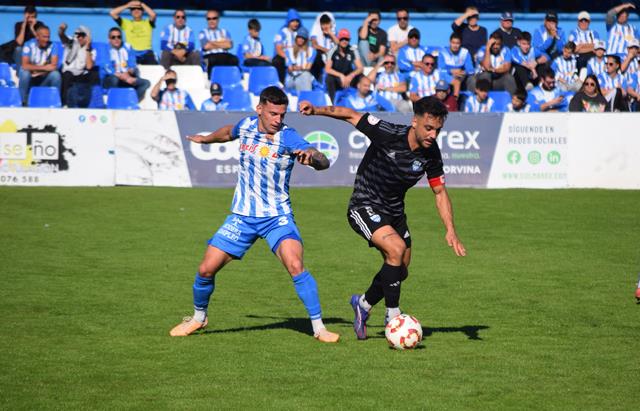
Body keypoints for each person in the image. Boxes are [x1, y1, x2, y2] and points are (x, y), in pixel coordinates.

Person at [171, 86, 339, 344]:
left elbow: (322, 159)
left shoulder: (288, 137)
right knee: (205, 270)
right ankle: (198, 318)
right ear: (259, 109)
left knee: (295, 265)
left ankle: (319, 328)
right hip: (242, 216)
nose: (278, 120)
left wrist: (314, 158)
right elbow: (228, 132)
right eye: (273, 114)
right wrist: (206, 139)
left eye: (282, 115)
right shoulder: (247, 125)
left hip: (277, 217)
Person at [298, 96, 466, 340]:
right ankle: (394, 317)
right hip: (363, 204)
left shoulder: (432, 153)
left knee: (401, 269)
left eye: (437, 130)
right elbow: (350, 114)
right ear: (414, 122)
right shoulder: (388, 133)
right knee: (396, 249)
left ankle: (363, 305)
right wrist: (315, 109)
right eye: (428, 128)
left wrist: (450, 230)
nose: (433, 135)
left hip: (394, 212)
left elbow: (439, 192)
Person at [102, 27, 150, 102]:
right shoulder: (105, 49)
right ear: (109, 39)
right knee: (114, 79)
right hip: (111, 78)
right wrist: (122, 76)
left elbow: (132, 64)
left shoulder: (128, 47)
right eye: (113, 37)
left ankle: (131, 101)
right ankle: (116, 101)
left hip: (126, 76)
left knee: (145, 83)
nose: (116, 39)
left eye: (119, 37)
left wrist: (128, 73)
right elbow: (107, 67)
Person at [18, 25, 60, 106]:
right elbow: (24, 65)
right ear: (37, 37)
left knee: (56, 75)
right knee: (24, 73)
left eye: (48, 37)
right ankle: (22, 102)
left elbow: (53, 66)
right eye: (44, 37)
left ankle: (54, 102)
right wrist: (45, 68)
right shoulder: (28, 45)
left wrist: (36, 70)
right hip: (30, 78)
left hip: (43, 77)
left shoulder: (53, 46)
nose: (47, 39)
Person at [58, 24, 98, 108]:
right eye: (78, 35)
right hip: (67, 73)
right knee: (67, 74)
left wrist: (87, 47)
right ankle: (64, 104)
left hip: (80, 74)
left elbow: (89, 66)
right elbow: (62, 36)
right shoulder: (71, 43)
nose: (79, 37)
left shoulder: (92, 50)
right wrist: (62, 30)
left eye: (82, 35)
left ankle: (85, 104)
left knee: (92, 75)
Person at [325, 29, 363, 103]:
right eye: (342, 39)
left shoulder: (353, 50)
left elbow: (360, 68)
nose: (344, 41)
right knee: (329, 78)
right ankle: (334, 102)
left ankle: (359, 101)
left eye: (346, 39)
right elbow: (327, 69)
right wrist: (341, 75)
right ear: (338, 40)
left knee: (361, 77)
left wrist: (351, 75)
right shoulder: (332, 51)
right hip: (337, 78)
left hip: (349, 78)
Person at [199, 9, 238, 77]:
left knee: (234, 59)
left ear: (218, 19)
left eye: (214, 18)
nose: (211, 21)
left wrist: (212, 42)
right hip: (210, 56)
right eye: (209, 19)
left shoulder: (224, 32)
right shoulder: (203, 32)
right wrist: (222, 43)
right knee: (212, 60)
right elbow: (206, 46)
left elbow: (229, 45)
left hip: (224, 55)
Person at [438, 33, 474, 97]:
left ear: (460, 44)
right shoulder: (443, 52)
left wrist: (462, 72)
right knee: (448, 77)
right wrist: (451, 71)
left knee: (467, 78)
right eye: (453, 43)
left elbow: (471, 69)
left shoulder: (465, 52)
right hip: (446, 75)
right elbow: (441, 68)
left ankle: (461, 99)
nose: (455, 45)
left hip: (460, 75)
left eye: (457, 43)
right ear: (450, 42)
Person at [273, 8, 302, 84]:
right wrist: (288, 58)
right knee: (277, 61)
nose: (295, 23)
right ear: (288, 21)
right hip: (284, 56)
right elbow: (278, 49)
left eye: (297, 21)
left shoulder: (300, 33)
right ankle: (280, 84)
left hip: (297, 57)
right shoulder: (282, 32)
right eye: (293, 21)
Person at [285, 27, 315, 93]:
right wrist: (298, 68)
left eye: (303, 38)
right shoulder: (289, 50)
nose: (301, 40)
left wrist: (298, 68)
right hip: (291, 77)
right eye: (299, 37)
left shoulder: (311, 51)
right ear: (296, 38)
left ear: (306, 40)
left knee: (306, 75)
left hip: (304, 76)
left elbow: (308, 67)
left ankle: (306, 97)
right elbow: (290, 68)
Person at [310, 13, 337, 81]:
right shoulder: (316, 31)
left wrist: (330, 33)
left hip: (331, 57)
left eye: (327, 23)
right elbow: (314, 45)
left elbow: (339, 45)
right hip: (321, 56)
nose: (325, 26)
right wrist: (327, 50)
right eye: (323, 24)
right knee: (317, 55)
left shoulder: (333, 32)